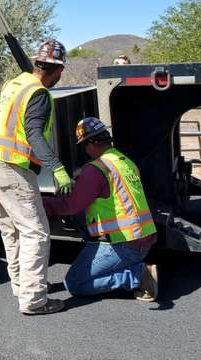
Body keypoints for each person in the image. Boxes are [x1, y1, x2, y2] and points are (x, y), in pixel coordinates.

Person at [0, 39, 74, 315]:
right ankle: (34, 299)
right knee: (36, 231)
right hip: (13, 166)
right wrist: (57, 168)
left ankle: (22, 285)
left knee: (12, 229)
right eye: (60, 72)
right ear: (55, 69)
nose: (60, 77)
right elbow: (33, 133)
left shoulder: (14, 83)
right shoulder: (39, 94)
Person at [43, 117, 159, 301]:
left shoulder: (96, 169)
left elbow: (72, 205)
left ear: (91, 143)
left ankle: (137, 276)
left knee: (74, 283)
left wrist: (44, 204)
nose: (85, 150)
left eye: (83, 145)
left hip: (123, 244)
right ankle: (132, 268)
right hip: (143, 240)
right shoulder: (125, 162)